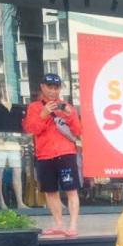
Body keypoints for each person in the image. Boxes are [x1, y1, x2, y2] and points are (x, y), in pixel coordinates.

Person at [22, 73, 83, 237]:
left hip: (66, 154)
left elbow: (78, 131)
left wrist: (70, 116)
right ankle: (58, 225)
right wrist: (43, 114)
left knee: (71, 189)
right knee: (50, 191)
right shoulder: (34, 107)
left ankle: (73, 225)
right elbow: (32, 129)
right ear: (43, 87)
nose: (53, 91)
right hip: (45, 156)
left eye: (56, 88)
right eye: (50, 87)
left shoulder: (66, 106)